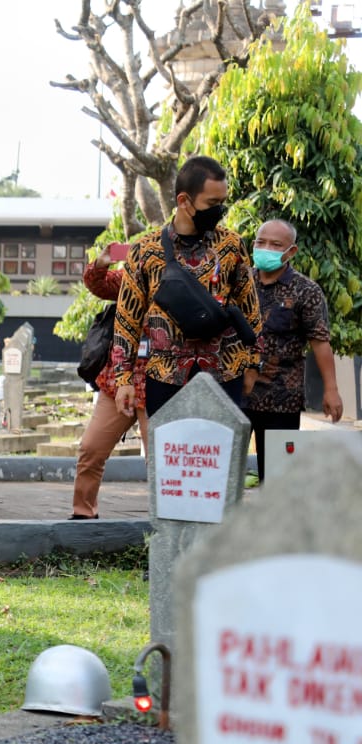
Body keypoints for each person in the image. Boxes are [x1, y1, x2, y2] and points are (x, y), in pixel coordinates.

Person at [112, 155, 260, 419]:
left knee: (219, 456)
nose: (219, 210)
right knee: (170, 457)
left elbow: (250, 308)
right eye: (212, 203)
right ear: (183, 201)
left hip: (225, 373)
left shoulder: (231, 246)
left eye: (222, 203)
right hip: (166, 376)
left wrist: (252, 364)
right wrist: (123, 378)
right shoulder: (146, 250)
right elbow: (127, 318)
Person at [241, 218, 342, 481]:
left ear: (291, 251)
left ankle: (276, 523)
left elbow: (320, 341)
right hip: (236, 393)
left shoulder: (306, 291)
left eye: (275, 245)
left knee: (277, 480)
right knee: (221, 473)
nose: (266, 248)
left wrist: (331, 390)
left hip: (281, 399)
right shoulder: (239, 284)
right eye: (261, 242)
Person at [70, 251, 149, 520]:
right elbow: (97, 284)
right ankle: (83, 513)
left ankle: (169, 519)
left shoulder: (181, 278)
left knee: (161, 460)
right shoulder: (130, 277)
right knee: (91, 448)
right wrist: (102, 262)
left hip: (161, 382)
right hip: (117, 382)